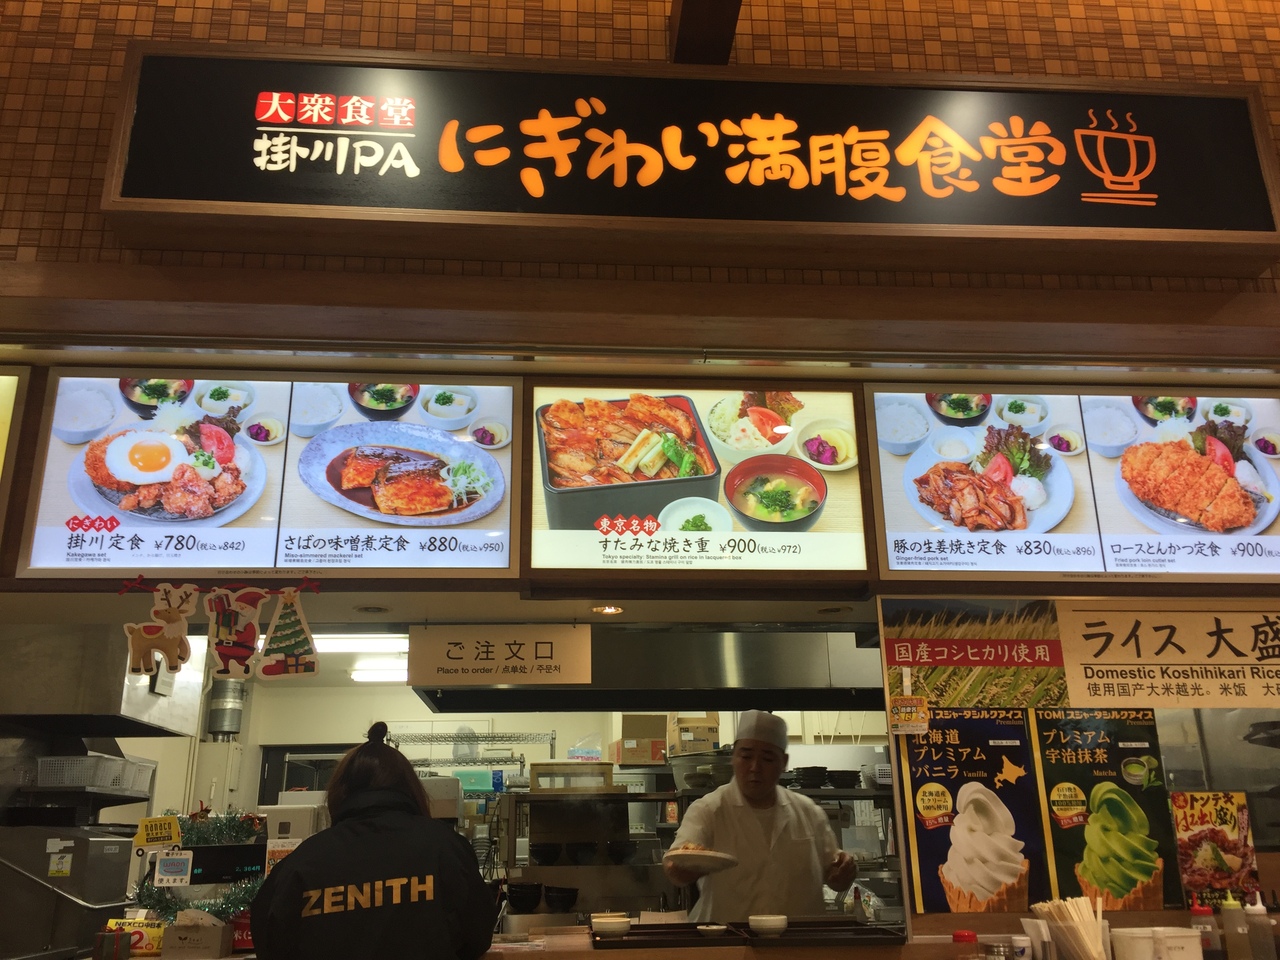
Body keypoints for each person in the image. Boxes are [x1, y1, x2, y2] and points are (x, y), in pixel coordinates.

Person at [250, 721, 496, 960]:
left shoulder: (301, 864)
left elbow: (269, 941)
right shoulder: (445, 848)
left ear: (340, 790)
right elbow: (477, 934)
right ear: (411, 788)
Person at [663, 710, 857, 922]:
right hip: (729, 938)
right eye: (746, 756)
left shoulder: (809, 813)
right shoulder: (709, 809)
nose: (755, 767)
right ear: (733, 758)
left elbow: (836, 877)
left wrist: (844, 871)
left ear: (784, 762)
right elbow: (675, 869)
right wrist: (687, 867)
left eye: (767, 758)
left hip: (798, 939)